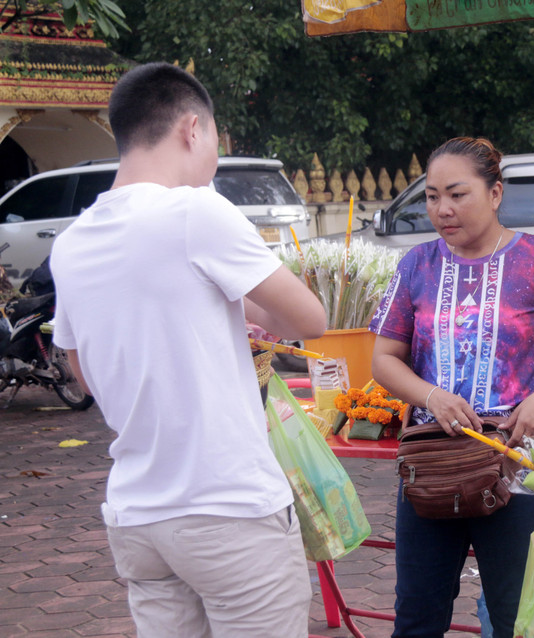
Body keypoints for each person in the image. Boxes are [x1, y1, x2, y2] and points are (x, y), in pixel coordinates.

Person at [50, 63, 328, 638]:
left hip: (137, 516)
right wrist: (245, 312)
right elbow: (310, 318)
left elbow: (84, 372)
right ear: (192, 129)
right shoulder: (195, 212)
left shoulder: (73, 242)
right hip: (226, 505)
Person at [368, 136, 534, 638]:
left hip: (514, 466)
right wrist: (430, 396)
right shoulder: (415, 266)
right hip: (430, 465)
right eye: (431, 197)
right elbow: (383, 360)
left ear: (495, 194)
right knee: (417, 617)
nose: (442, 209)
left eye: (457, 194)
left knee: (517, 616)